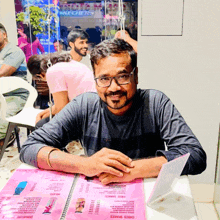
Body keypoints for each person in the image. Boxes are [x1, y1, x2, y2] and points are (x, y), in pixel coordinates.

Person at [20, 39, 206, 185]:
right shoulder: (84, 105)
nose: (113, 87)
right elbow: (29, 147)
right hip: (99, 196)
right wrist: (85, 164)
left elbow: (195, 155)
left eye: (123, 77)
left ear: (136, 75)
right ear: (95, 80)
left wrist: (132, 170)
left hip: (146, 193)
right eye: (104, 79)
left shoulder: (155, 103)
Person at [27, 52, 96, 127]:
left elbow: (61, 108)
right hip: (92, 109)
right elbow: (61, 105)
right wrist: (41, 114)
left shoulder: (52, 71)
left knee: (41, 125)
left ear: (40, 75)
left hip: (85, 114)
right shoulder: (70, 63)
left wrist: (41, 117)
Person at [0, 23, 30, 147]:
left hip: (16, 95)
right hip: (2, 94)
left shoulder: (14, 52)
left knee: (2, 116)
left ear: (4, 34)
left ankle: (5, 137)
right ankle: (9, 133)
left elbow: (2, 73)